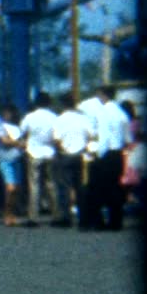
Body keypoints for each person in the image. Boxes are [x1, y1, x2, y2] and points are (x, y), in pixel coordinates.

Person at [78, 85, 131, 231]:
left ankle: (97, 222)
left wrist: (97, 155)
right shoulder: (122, 114)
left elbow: (103, 137)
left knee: (97, 189)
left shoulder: (103, 113)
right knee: (116, 188)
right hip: (118, 154)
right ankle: (116, 221)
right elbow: (128, 138)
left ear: (102, 95)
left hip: (105, 154)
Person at [51, 92, 95, 228]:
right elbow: (92, 136)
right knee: (80, 187)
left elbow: (56, 140)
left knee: (64, 187)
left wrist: (63, 149)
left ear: (63, 104)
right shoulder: (83, 119)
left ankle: (65, 217)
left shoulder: (60, 119)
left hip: (65, 155)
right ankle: (84, 217)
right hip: (80, 155)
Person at [19, 92, 58, 227]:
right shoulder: (54, 117)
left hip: (34, 152)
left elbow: (21, 133)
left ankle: (33, 217)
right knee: (51, 184)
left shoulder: (30, 117)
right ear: (49, 103)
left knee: (34, 185)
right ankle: (56, 215)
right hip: (50, 152)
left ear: (36, 103)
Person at [0, 104, 23, 227]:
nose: (7, 115)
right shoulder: (0, 127)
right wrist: (18, 143)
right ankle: (7, 213)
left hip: (17, 159)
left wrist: (18, 144)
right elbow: (4, 141)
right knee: (10, 188)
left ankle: (13, 214)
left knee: (17, 189)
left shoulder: (17, 128)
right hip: (5, 160)